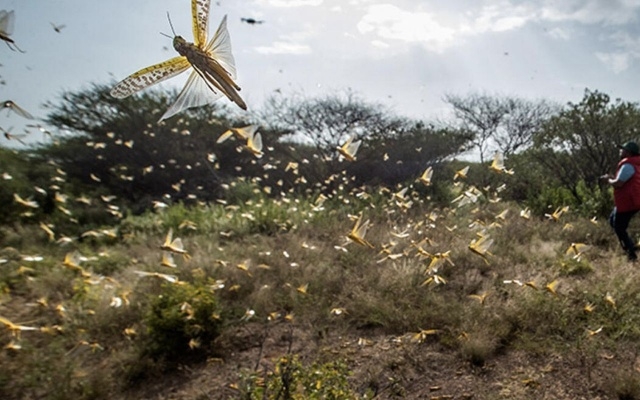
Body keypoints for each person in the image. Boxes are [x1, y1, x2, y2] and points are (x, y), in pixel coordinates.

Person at [601, 141, 640, 261]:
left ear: (628, 152)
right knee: (613, 221)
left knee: (619, 227)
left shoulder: (627, 166)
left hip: (628, 203)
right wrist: (613, 179)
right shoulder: (635, 164)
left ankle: (631, 254)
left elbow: (618, 184)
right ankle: (631, 245)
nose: (620, 151)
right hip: (631, 201)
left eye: (622, 149)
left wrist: (608, 180)